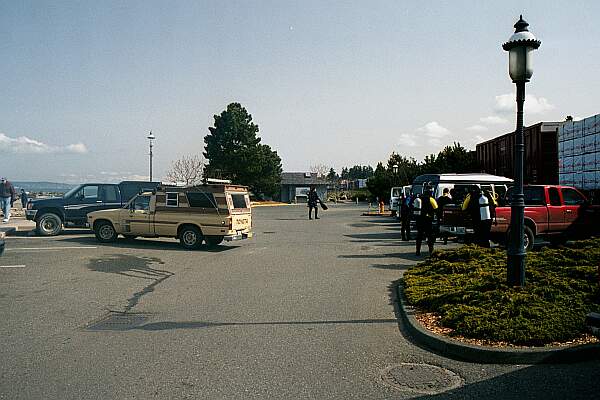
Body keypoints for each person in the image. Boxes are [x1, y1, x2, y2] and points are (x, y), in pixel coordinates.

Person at [416, 188, 438, 256]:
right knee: (429, 235)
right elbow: (436, 208)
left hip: (419, 219)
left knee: (419, 235)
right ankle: (431, 250)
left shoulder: (419, 198)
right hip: (428, 220)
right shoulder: (431, 199)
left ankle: (418, 251)